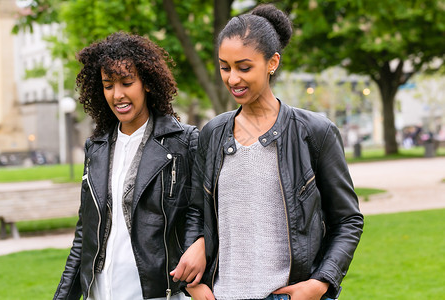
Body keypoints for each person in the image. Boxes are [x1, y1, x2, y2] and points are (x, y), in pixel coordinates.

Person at [177, 4, 364, 300]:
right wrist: (194, 284)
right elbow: (197, 212)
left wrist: (320, 283)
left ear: (272, 62)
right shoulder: (213, 133)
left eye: (244, 67)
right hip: (220, 294)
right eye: (225, 67)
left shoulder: (314, 132)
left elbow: (347, 220)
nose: (233, 78)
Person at [53, 32, 202, 300]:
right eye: (108, 85)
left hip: (155, 291)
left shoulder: (183, 141)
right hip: (100, 291)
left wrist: (190, 269)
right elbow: (85, 233)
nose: (117, 94)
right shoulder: (96, 147)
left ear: (146, 82)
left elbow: (196, 212)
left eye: (126, 82)